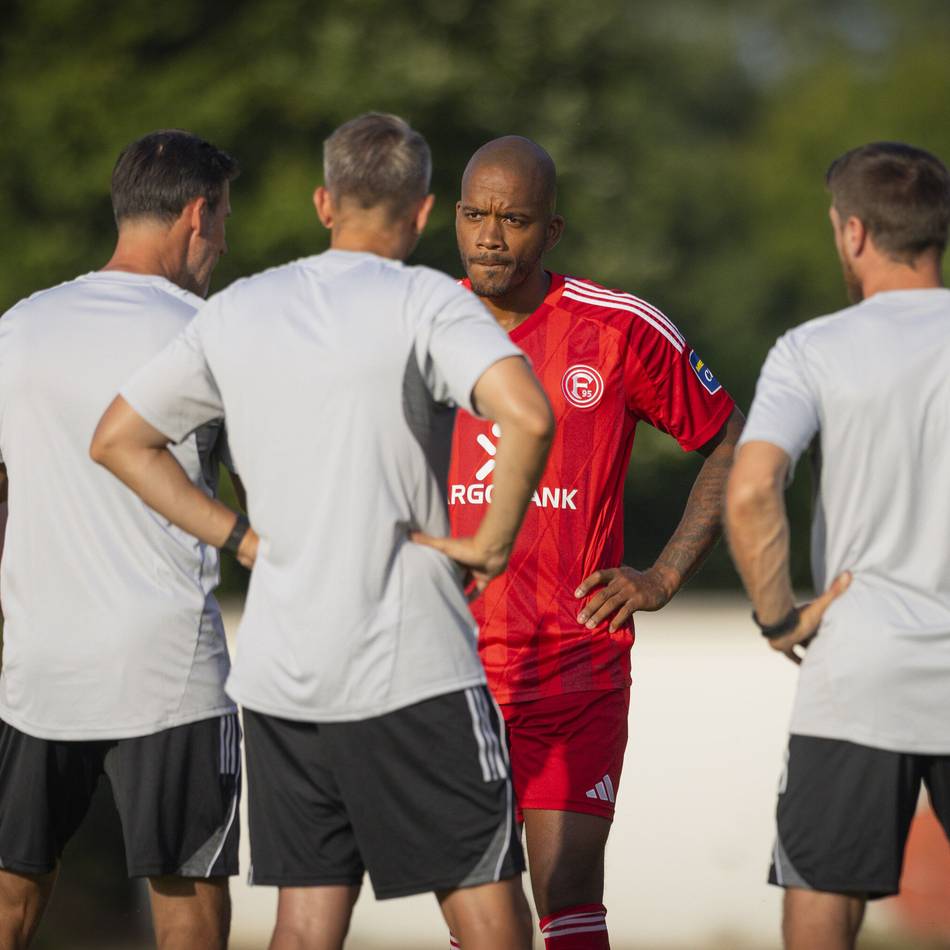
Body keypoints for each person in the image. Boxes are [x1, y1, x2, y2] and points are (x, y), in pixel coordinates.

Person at [89, 113, 555, 950]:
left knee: (306, 922)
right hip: (411, 664)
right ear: (421, 212)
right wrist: (491, 543)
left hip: (283, 672)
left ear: (323, 202)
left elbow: (119, 440)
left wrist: (241, 541)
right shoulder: (423, 300)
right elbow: (526, 414)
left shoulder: (239, 309)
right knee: (487, 907)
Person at [445, 136, 744, 950]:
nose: (490, 237)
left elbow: (728, 441)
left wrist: (665, 572)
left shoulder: (615, 329)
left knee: (568, 886)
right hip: (448, 664)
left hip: (575, 659)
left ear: (554, 231)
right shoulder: (415, 325)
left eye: (514, 219)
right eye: (475, 214)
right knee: (478, 896)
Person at [0, 130, 241, 950]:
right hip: (165, 668)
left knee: (11, 886)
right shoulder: (211, 334)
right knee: (188, 895)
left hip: (38, 659)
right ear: (198, 214)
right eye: (224, 222)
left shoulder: (19, 329)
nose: (222, 246)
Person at [725, 141, 950, 950]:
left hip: (860, 667)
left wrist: (779, 618)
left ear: (854, 233)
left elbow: (751, 489)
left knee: (821, 900)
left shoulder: (814, 349)